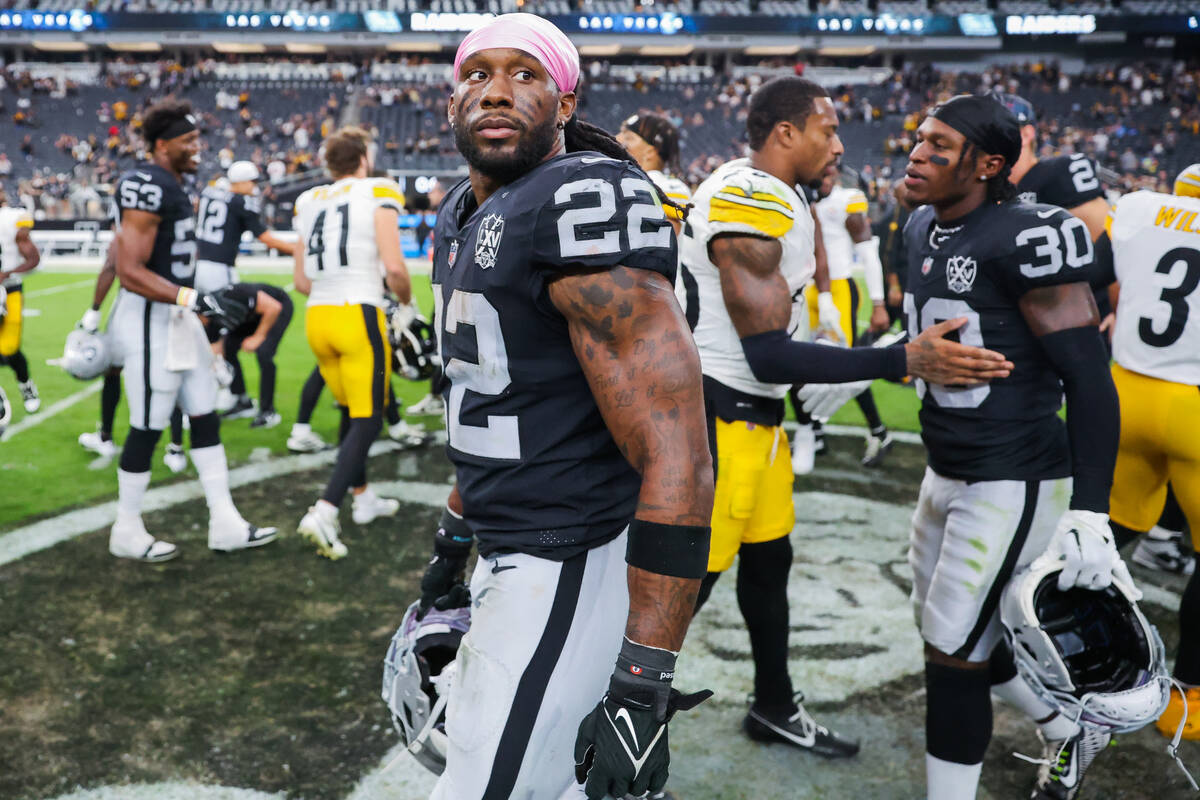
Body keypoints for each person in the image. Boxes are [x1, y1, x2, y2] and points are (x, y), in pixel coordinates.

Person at [417, 14, 714, 799]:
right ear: (452, 99)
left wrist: (645, 680)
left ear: (565, 98)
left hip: (565, 558)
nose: (496, 90)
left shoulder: (585, 198)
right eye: (476, 73)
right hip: (508, 546)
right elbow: (500, 400)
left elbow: (677, 447)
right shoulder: (464, 208)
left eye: (525, 73)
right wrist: (453, 544)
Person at [679, 78, 1015, 765]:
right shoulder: (753, 197)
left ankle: (772, 705)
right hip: (720, 425)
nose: (838, 145)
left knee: (769, 567)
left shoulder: (778, 194)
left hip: (754, 423)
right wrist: (899, 360)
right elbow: (768, 355)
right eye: (826, 132)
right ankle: (595, 739)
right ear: (784, 135)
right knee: (672, 602)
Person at [901, 93, 1126, 800]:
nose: (917, 154)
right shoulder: (916, 227)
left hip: (1014, 473)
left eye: (940, 146)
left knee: (952, 651)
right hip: (947, 463)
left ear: (990, 163)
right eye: (919, 139)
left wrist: (1091, 509)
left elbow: (1089, 376)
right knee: (952, 634)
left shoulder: (1031, 234)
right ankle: (1066, 725)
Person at [108, 99, 277, 560]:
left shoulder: (174, 183)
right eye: (187, 140)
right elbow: (128, 268)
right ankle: (126, 528)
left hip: (179, 319)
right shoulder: (145, 183)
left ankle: (224, 522)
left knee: (204, 414)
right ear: (162, 145)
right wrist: (192, 298)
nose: (197, 148)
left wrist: (194, 302)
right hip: (150, 321)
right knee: (147, 425)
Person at [1103, 163, 1200, 742]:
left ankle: (1073, 657)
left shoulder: (1140, 209)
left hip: (1128, 390)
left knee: (1109, 532)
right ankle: (1186, 702)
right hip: (1193, 403)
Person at [293, 127, 413, 560]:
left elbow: (300, 280)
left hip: (318, 316)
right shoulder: (377, 189)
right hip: (357, 311)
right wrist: (407, 305)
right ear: (363, 158)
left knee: (350, 410)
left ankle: (362, 499)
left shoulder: (308, 201)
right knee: (369, 417)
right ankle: (325, 510)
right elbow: (395, 267)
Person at [195, 160, 296, 422]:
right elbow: (265, 237)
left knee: (213, 331)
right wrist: (298, 250)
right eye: (251, 182)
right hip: (221, 272)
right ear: (241, 182)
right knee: (220, 330)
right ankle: (221, 389)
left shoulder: (210, 193)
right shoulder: (240, 202)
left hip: (199, 268)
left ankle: (227, 390)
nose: (254, 188)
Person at [805, 164, 892, 466]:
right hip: (806, 289)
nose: (823, 178)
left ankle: (879, 431)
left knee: (845, 368)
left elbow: (868, 252)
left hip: (839, 287)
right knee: (799, 364)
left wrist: (878, 303)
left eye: (829, 173)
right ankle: (812, 430)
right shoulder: (801, 196)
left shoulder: (847, 199)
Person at [211, 281, 292, 430]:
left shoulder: (238, 295)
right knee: (229, 348)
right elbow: (216, 347)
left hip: (276, 307)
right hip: (250, 316)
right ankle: (243, 402)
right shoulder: (210, 318)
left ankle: (268, 411)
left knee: (264, 352)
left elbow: (274, 307)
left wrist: (259, 336)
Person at [0, 201, 41, 413]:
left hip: (8, 289)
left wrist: (6, 273)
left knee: (8, 348)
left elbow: (33, 258)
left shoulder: (12, 218)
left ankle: (26, 386)